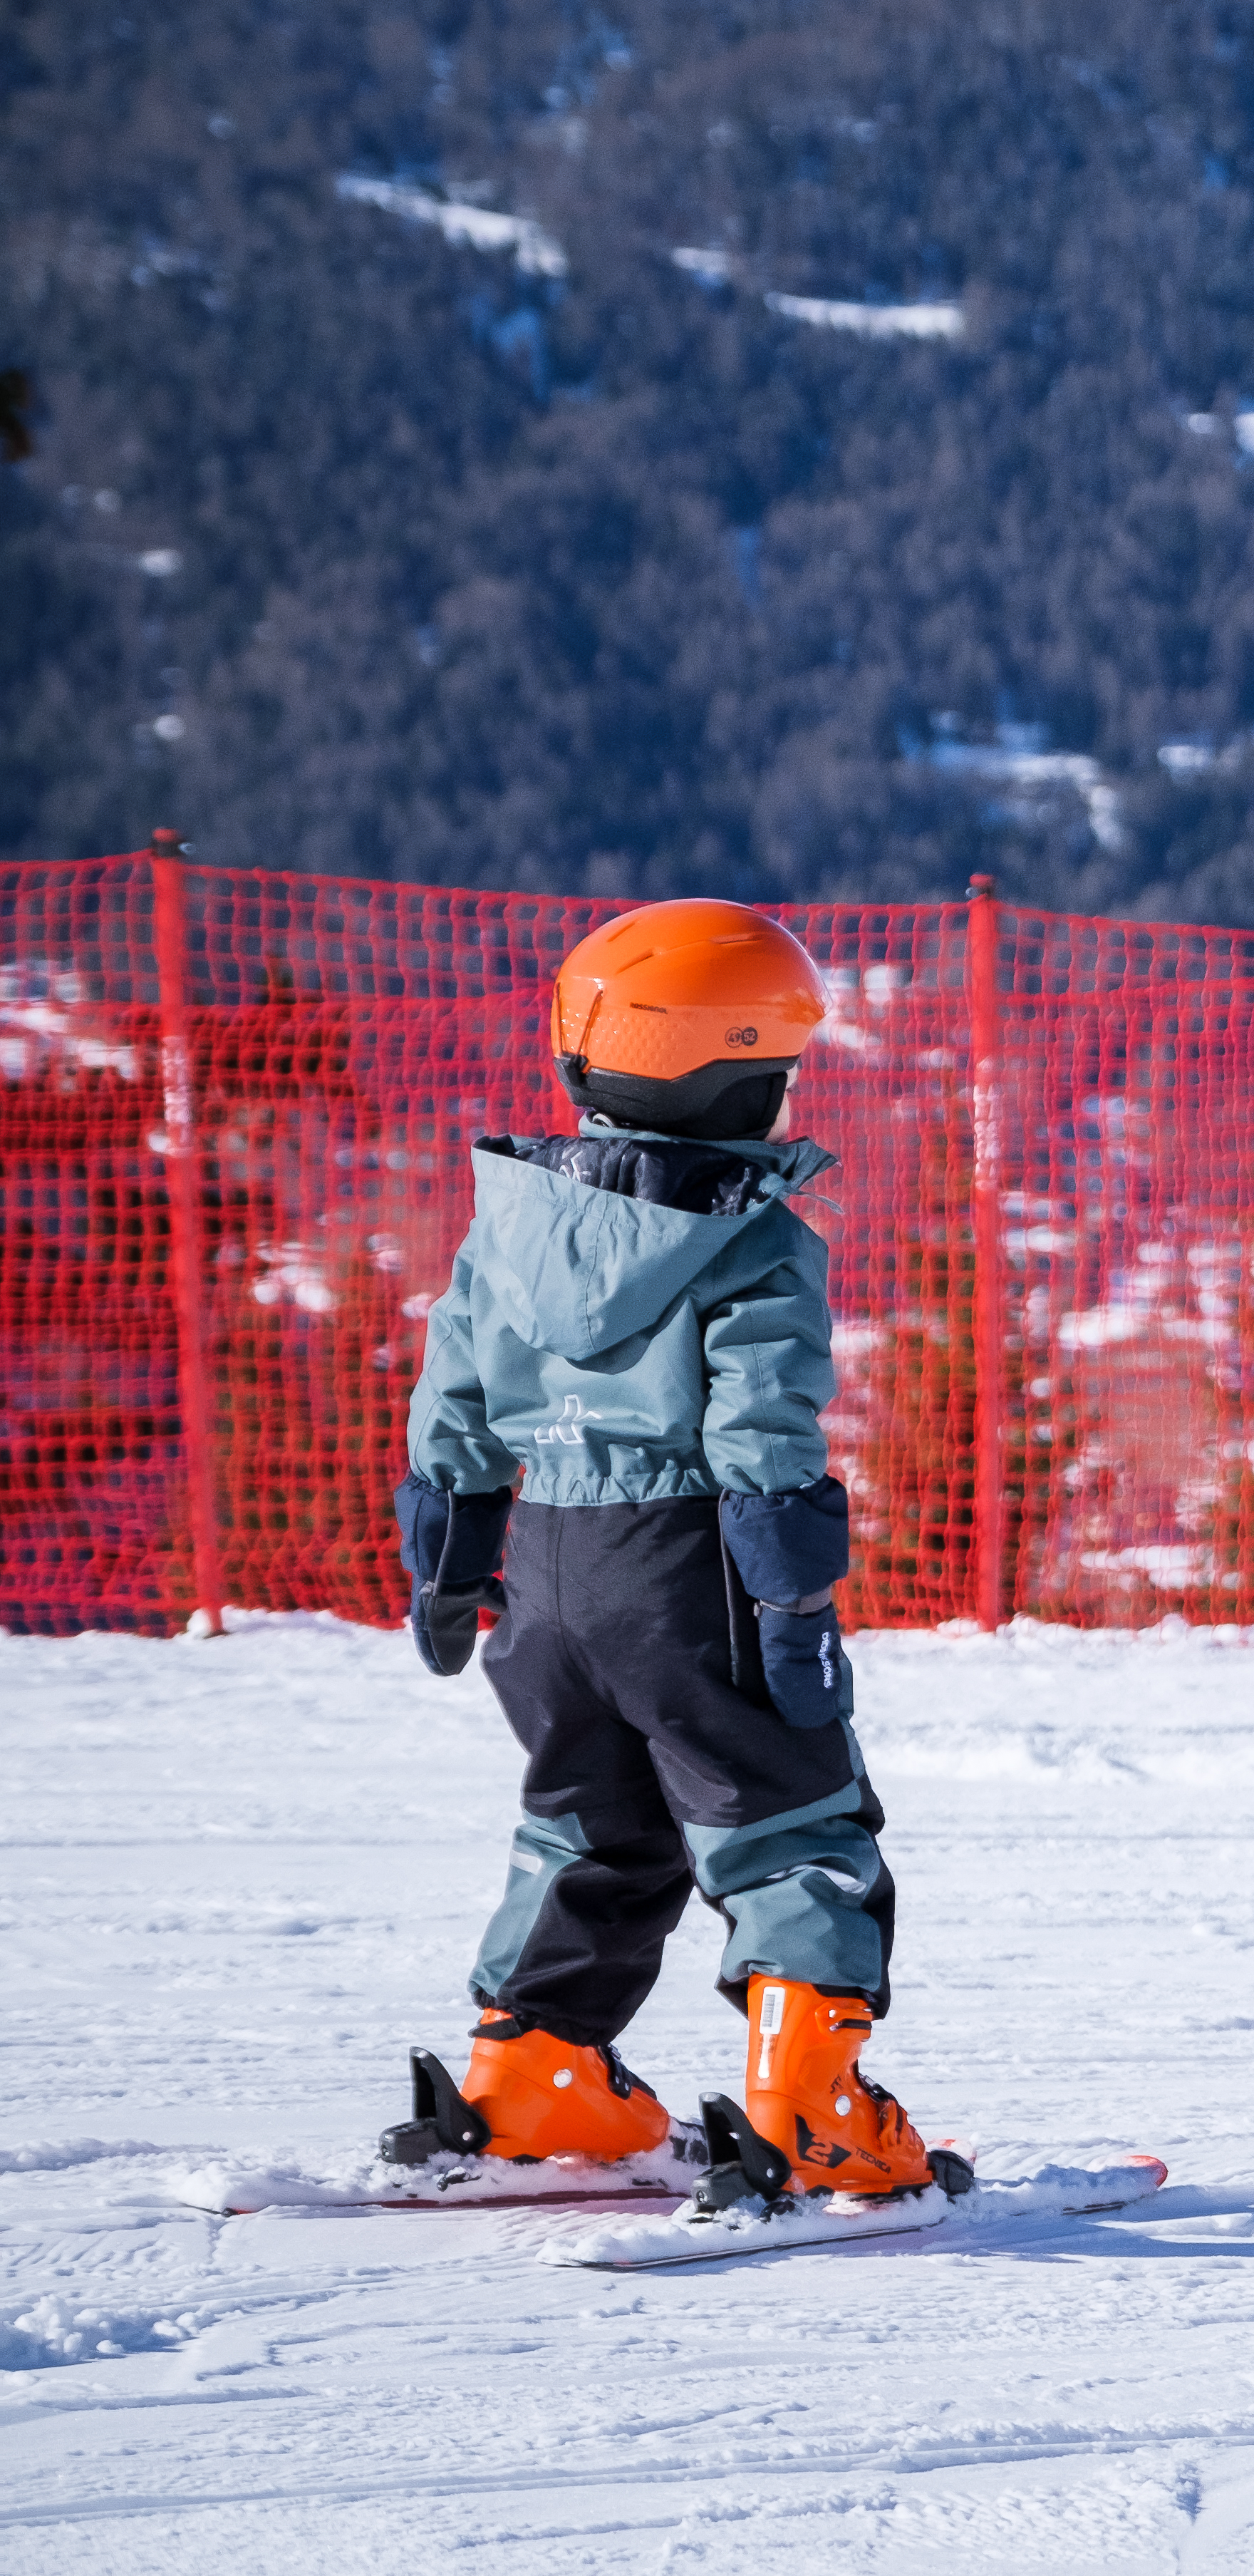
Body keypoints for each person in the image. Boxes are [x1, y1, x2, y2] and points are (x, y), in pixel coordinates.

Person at [383, 900, 943, 2209]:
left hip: (547, 1563)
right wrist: (792, 1595)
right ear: (740, 1071)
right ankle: (812, 2109)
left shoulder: (507, 1221)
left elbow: (450, 1402)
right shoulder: (752, 1235)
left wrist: (451, 1558)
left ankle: (535, 2074)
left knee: (590, 1823)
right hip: (691, 1562)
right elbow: (760, 1427)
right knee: (792, 1820)